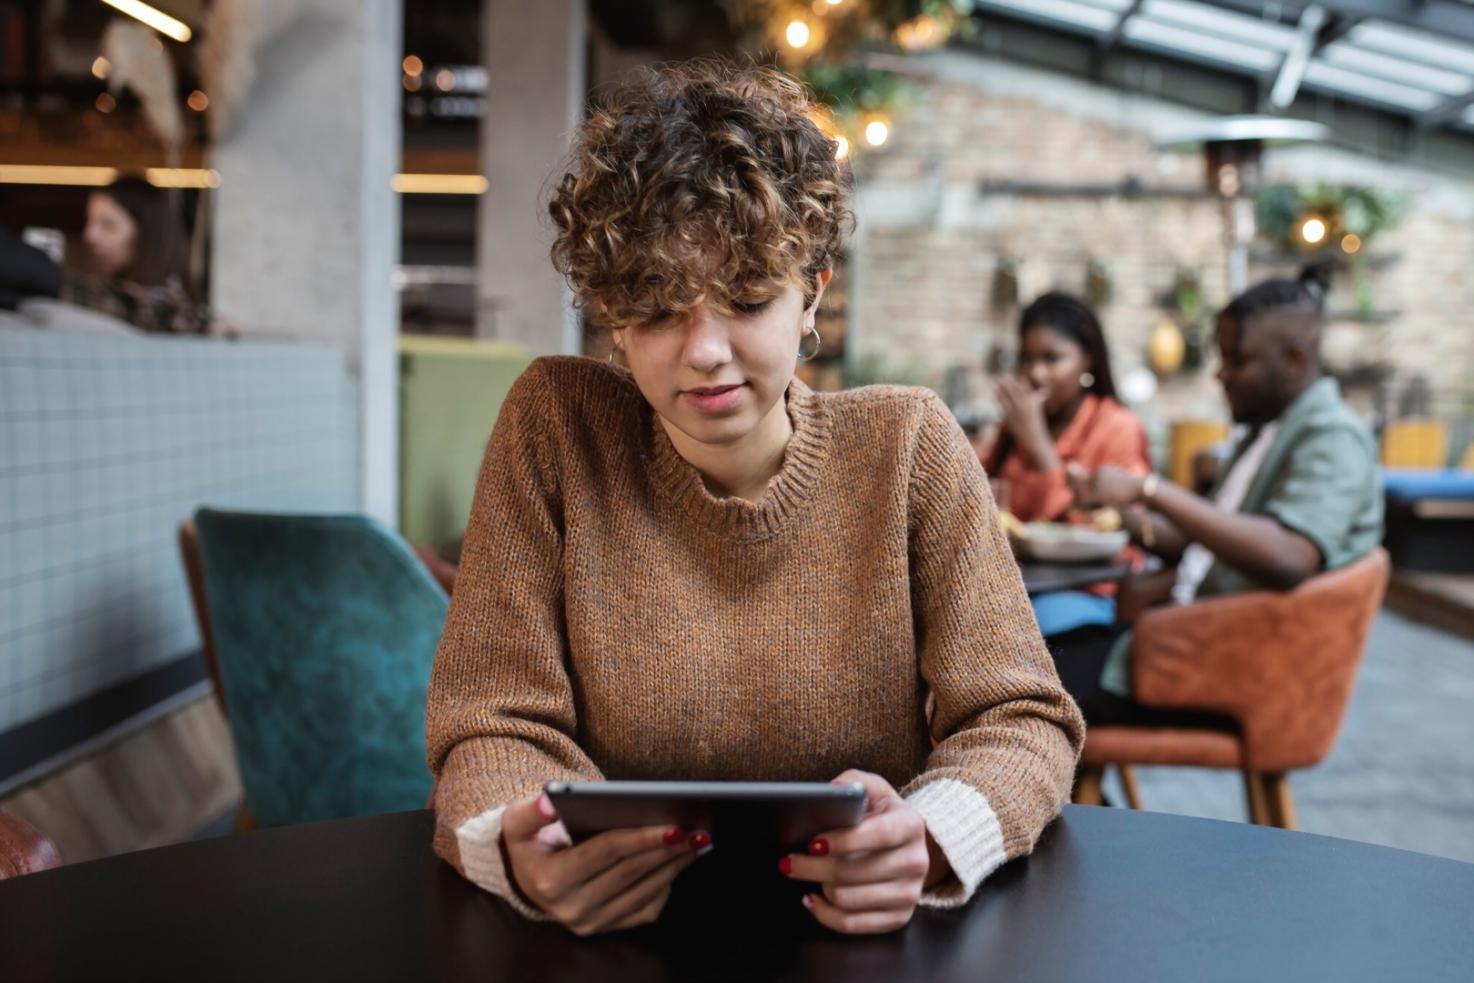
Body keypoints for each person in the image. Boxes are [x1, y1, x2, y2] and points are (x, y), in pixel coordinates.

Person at [424, 60, 1083, 937]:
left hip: (862, 943)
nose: (703, 350)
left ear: (812, 292)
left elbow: (1023, 717)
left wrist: (929, 836)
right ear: (613, 315)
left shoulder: (908, 446)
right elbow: (487, 724)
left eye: (744, 297)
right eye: (658, 306)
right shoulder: (556, 427)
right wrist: (517, 853)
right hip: (613, 941)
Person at [1051, 268, 1383, 727]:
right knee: (1019, 663)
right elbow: (1199, 548)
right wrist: (1121, 511)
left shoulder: (1333, 437)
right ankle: (1084, 796)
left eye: (1237, 359)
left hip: (1225, 667)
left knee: (1014, 697)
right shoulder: (1264, 433)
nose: (1220, 374)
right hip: (1178, 644)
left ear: (1294, 359)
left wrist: (1152, 489)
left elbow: (1288, 556)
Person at [983, 292, 1151, 636]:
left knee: (1019, 635)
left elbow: (1093, 524)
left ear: (1088, 358)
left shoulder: (1117, 426)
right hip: (1013, 586)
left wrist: (1039, 445)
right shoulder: (1014, 427)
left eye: (1052, 358)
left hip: (1089, 589)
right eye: (1026, 359)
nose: (1035, 373)